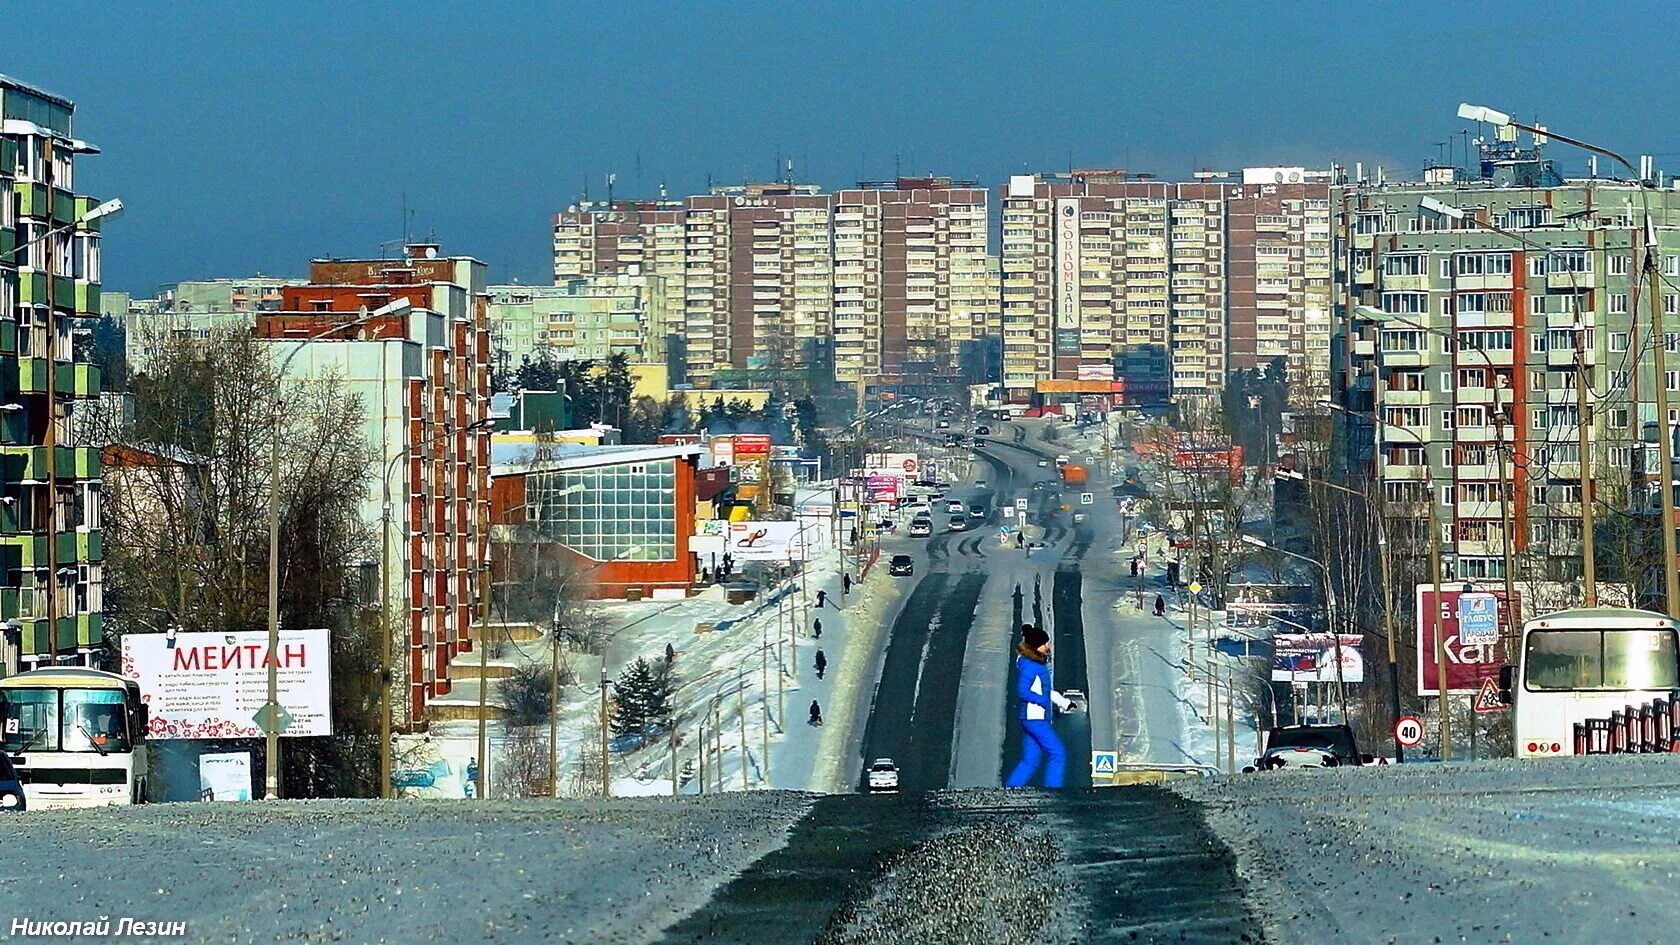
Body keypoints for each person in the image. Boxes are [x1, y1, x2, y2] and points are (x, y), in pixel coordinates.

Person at [1004, 624, 1067, 788]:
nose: (1049, 646)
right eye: (1046, 643)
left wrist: (1064, 702)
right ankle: (1053, 792)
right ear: (1038, 646)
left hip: (1031, 718)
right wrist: (1042, 701)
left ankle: (1009, 791)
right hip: (1036, 719)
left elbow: (1046, 691)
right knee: (1057, 754)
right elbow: (1023, 691)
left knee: (1030, 761)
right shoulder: (1032, 667)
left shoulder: (1034, 665)